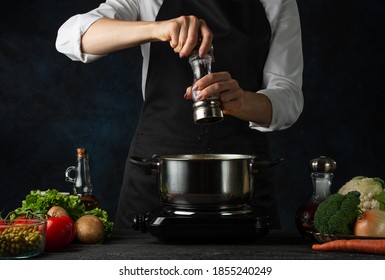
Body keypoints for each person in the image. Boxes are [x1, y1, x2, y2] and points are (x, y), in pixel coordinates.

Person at [56, 0, 304, 233]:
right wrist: (158, 29)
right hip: (156, 168)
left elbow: (289, 98)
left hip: (241, 177)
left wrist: (241, 101)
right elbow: (70, 38)